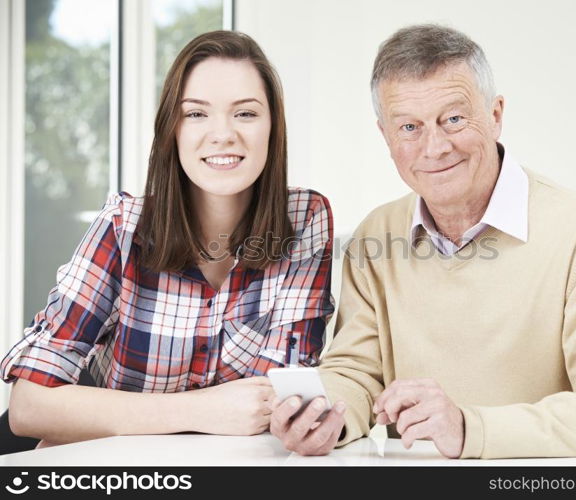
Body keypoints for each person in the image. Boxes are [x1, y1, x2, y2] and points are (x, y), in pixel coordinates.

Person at [270, 24, 576, 459]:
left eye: (454, 119)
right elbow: (358, 372)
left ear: (495, 115)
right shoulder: (375, 236)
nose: (435, 147)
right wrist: (327, 416)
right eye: (409, 127)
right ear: (385, 137)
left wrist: (469, 428)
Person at [1, 30, 334, 445]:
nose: (223, 134)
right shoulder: (124, 227)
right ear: (172, 130)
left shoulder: (305, 220)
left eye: (245, 113)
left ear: (273, 127)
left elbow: (283, 396)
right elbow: (29, 406)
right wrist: (201, 410)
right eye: (196, 114)